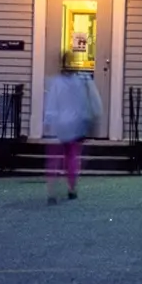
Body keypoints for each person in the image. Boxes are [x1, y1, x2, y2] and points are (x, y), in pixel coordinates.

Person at [43, 59, 103, 204]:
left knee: (55, 157)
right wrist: (93, 117)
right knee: (72, 157)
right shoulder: (83, 81)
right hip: (76, 125)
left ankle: (52, 190)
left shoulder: (57, 82)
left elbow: (52, 102)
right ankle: (71, 188)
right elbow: (93, 101)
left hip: (60, 125)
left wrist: (48, 120)